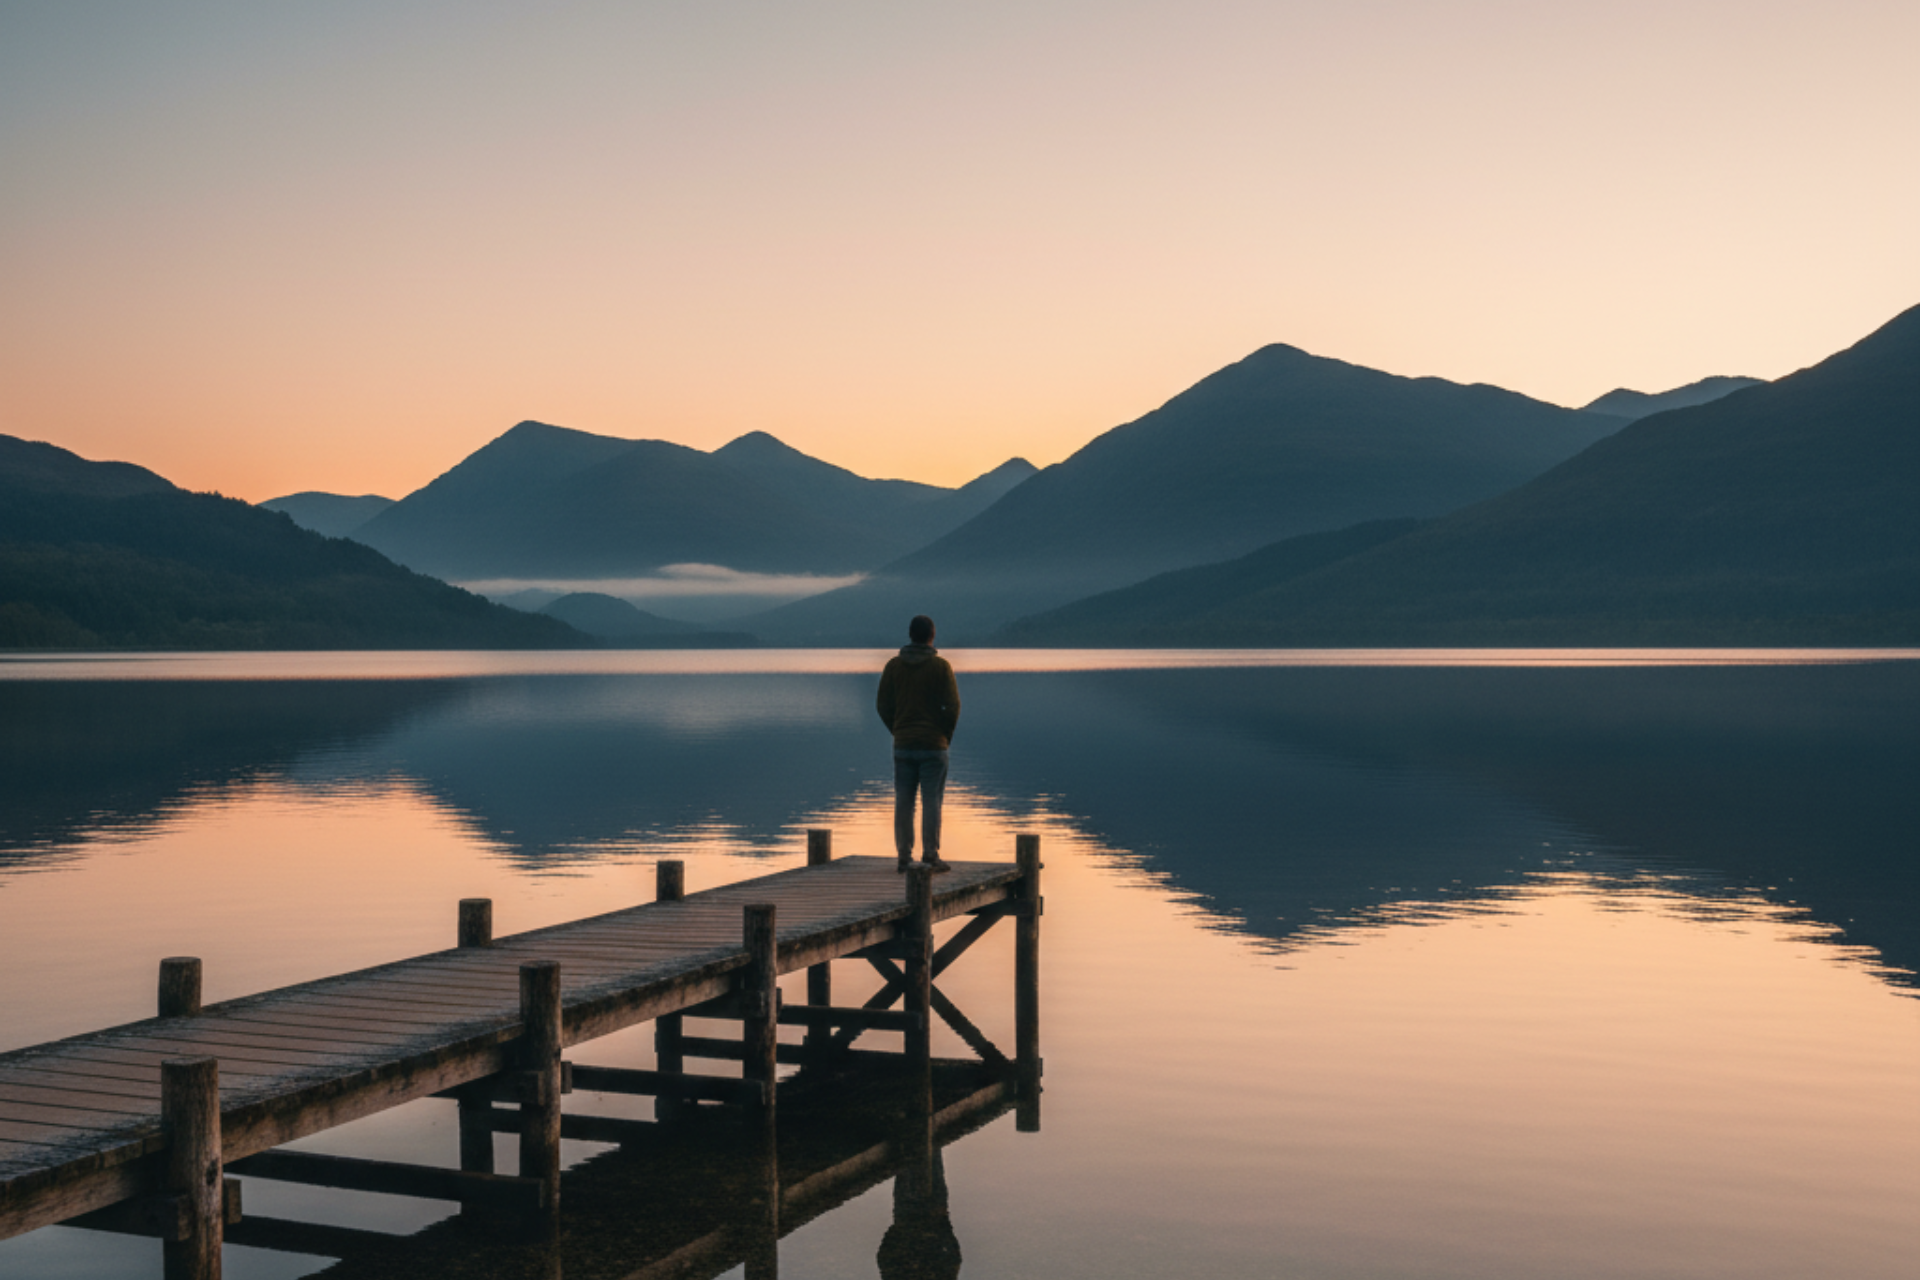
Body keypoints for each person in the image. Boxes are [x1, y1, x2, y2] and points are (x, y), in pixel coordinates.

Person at [876, 615, 960, 873]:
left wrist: (898, 730)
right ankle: (930, 855)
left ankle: (903, 855)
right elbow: (953, 706)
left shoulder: (893, 666)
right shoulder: (941, 667)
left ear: (910, 635)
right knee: (932, 800)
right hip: (934, 745)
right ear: (931, 636)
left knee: (904, 800)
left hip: (903, 744)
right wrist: (944, 735)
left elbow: (882, 705)